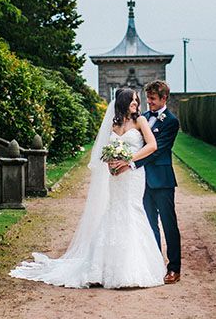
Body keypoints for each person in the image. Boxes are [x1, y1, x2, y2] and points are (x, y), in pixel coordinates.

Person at [10, 88, 166, 289]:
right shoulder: (114, 123)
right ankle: (101, 267)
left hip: (133, 175)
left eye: (137, 101)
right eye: (132, 101)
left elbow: (152, 146)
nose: (136, 104)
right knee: (114, 209)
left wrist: (128, 160)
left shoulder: (140, 121)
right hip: (116, 176)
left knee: (132, 209)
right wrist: (111, 162)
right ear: (123, 102)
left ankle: (133, 267)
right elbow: (104, 150)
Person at [110, 80, 181, 284]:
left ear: (164, 98)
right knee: (149, 224)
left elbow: (157, 150)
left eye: (152, 99)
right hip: (140, 181)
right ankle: (155, 264)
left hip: (161, 179)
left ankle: (174, 268)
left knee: (169, 225)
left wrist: (129, 164)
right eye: (147, 98)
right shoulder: (143, 118)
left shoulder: (171, 121)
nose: (148, 102)